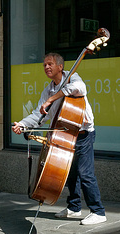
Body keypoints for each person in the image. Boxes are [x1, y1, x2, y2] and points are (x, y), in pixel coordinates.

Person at [12, 53, 106, 225]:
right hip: (65, 135)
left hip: (83, 134)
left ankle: (98, 211)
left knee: (85, 173)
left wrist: (51, 99)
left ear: (60, 67)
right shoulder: (47, 89)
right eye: (44, 65)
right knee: (70, 173)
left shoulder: (73, 78)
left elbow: (80, 89)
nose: (46, 67)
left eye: (50, 64)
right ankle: (74, 208)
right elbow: (38, 115)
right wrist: (23, 125)